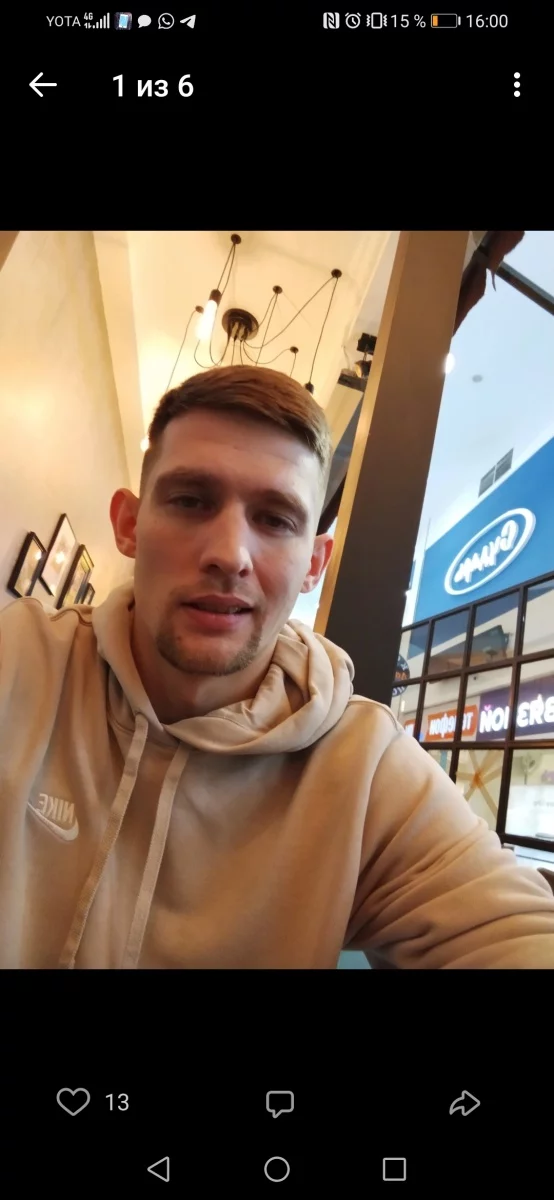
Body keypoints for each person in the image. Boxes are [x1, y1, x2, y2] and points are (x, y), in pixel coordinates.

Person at [2, 364, 554, 970]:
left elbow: (512, 933)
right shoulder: (20, 662)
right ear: (129, 525)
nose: (229, 555)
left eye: (275, 519)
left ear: (314, 563)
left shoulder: (364, 769)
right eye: (191, 501)